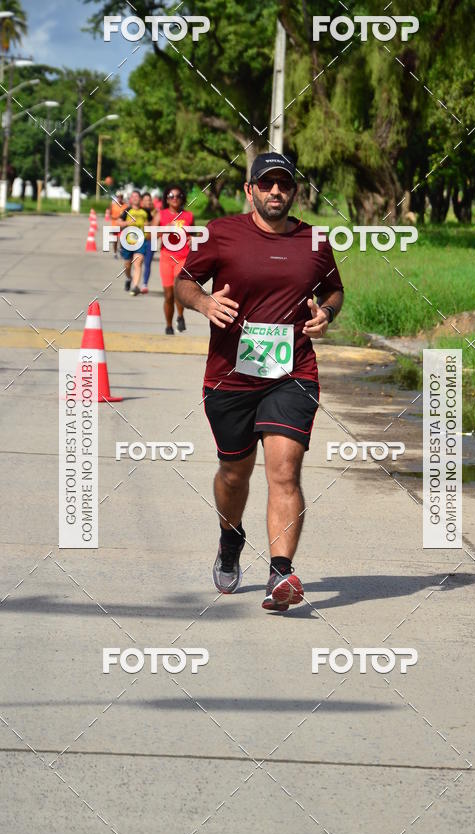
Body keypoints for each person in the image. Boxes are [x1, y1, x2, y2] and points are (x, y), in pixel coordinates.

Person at [175, 153, 344, 611]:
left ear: (294, 191)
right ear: (249, 190)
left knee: (285, 472)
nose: (276, 192)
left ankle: (280, 573)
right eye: (266, 185)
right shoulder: (223, 233)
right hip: (230, 375)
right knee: (235, 472)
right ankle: (230, 540)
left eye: (284, 185)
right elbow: (183, 282)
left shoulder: (314, 240)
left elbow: (334, 289)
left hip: (292, 374)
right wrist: (205, 304)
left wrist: (325, 313)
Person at [159, 185, 194, 334]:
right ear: (166, 199)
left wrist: (194, 239)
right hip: (166, 258)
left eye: (178, 196)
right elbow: (148, 235)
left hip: (183, 257)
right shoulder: (160, 215)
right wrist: (165, 228)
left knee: (178, 291)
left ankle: (180, 316)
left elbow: (195, 233)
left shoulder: (189, 216)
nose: (175, 199)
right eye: (171, 196)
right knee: (168, 295)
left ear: (182, 199)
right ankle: (168, 325)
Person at [119, 189, 153, 295]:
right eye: (133, 197)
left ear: (140, 199)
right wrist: (127, 222)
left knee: (138, 263)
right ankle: (129, 278)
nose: (135, 198)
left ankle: (135, 286)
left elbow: (152, 222)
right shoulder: (127, 210)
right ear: (130, 199)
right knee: (127, 265)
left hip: (141, 241)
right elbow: (118, 222)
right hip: (127, 241)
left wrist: (148, 225)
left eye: (137, 197)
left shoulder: (145, 211)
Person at [140, 192, 156, 294]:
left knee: (147, 263)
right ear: (142, 202)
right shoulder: (139, 211)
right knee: (138, 262)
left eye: (149, 200)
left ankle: (144, 283)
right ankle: (134, 279)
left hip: (151, 239)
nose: (148, 202)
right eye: (146, 200)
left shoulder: (156, 212)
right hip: (139, 240)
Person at [109, 191, 127, 258]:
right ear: (117, 197)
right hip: (115, 225)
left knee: (122, 239)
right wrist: (116, 217)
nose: (120, 198)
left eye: (121, 197)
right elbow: (110, 215)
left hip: (122, 226)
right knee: (115, 240)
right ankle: (115, 252)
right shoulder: (113, 205)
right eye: (118, 197)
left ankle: (121, 249)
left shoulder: (125, 206)